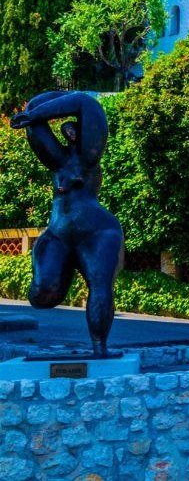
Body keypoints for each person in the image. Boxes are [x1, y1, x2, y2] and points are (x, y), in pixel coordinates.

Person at [11, 91, 123, 358]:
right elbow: (33, 117)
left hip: (97, 231)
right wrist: (34, 113)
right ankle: (61, 272)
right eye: (66, 130)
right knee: (42, 295)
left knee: (99, 285)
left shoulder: (90, 157)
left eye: (75, 128)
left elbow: (85, 103)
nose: (70, 133)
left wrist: (37, 113)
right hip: (60, 232)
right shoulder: (57, 160)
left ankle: (99, 348)